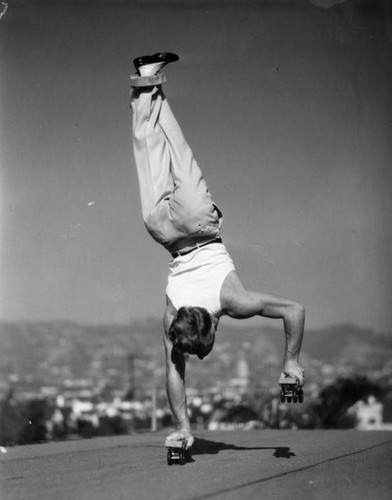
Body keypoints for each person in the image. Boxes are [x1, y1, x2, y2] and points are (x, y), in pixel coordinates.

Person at [130, 52, 305, 449]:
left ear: (209, 330)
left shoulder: (233, 300)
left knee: (175, 145)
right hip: (164, 233)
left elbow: (295, 311)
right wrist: (185, 429)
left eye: (203, 351)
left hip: (196, 223)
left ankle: (149, 79)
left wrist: (291, 362)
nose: (204, 357)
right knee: (150, 155)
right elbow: (175, 369)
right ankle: (145, 79)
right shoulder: (172, 315)